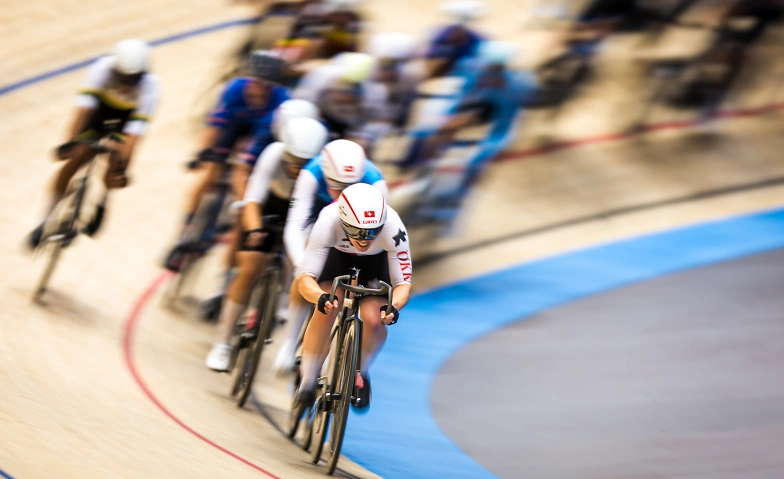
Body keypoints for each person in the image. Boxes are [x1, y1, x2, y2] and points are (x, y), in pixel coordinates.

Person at [205, 117, 330, 371]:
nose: (297, 168)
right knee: (251, 265)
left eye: (304, 163)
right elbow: (252, 200)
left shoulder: (323, 169)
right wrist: (255, 230)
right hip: (272, 205)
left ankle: (284, 298)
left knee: (306, 256)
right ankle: (222, 343)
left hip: (305, 211)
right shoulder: (273, 154)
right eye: (292, 159)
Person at [199, 98, 323, 322]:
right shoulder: (268, 139)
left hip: (299, 202)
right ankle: (223, 284)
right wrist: (248, 214)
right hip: (270, 192)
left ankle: (284, 296)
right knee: (244, 225)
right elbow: (243, 172)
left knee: (303, 247)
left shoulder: (317, 152)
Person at [165, 51, 290, 271]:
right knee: (210, 174)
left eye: (266, 85)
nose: (259, 89)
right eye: (255, 82)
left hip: (259, 134)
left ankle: (230, 220)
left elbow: (256, 147)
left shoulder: (281, 102)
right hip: (233, 127)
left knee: (244, 178)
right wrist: (203, 152)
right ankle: (183, 233)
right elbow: (215, 125)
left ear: (273, 86)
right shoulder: (234, 89)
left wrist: (245, 167)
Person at [293, 182, 412, 411]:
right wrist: (319, 297)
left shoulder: (394, 226)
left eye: (373, 232)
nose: (365, 239)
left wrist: (393, 307)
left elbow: (403, 284)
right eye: (358, 232)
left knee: (375, 319)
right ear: (343, 221)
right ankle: (307, 381)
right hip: (337, 256)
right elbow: (306, 278)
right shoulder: (328, 220)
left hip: (375, 263)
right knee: (328, 307)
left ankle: (361, 371)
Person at [29, 39, 159, 248]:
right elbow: (83, 113)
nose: (127, 83)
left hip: (125, 123)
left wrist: (120, 168)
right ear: (116, 68)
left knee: (117, 163)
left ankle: (103, 200)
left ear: (142, 75)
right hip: (98, 115)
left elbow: (133, 138)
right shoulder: (102, 69)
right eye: (124, 77)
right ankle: (44, 220)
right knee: (77, 156)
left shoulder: (151, 87)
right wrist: (71, 143)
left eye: (133, 78)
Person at [273, 139, 387, 375]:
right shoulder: (312, 173)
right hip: (320, 213)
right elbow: (295, 225)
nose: (342, 193)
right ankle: (289, 342)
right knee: (306, 266)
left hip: (356, 218)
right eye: (337, 186)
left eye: (349, 186)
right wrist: (302, 266)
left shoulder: (375, 182)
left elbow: (377, 234)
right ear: (326, 175)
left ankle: (337, 351)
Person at [423, 0, 486, 78]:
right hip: (441, 73)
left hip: (467, 75)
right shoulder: (440, 35)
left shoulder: (477, 39)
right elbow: (430, 56)